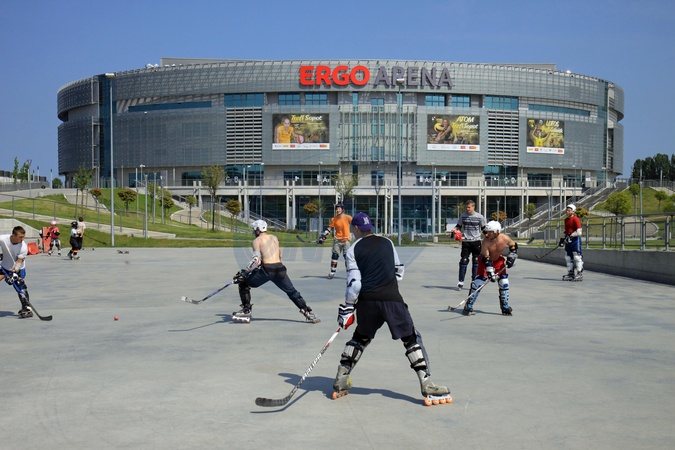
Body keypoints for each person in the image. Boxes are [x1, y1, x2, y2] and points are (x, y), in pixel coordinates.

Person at [332, 212, 451, 403]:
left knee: (360, 338)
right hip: (391, 298)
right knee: (410, 338)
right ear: (370, 227)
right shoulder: (387, 242)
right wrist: (386, 282)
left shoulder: (353, 250)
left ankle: (341, 378)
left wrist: (348, 308)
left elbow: (354, 283)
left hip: (367, 301)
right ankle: (426, 383)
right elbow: (399, 270)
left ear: (356, 228)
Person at [231, 220, 320, 324]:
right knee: (292, 291)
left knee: (243, 283)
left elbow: (256, 260)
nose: (254, 232)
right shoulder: (274, 238)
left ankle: (246, 310)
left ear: (258, 229)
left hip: (267, 270)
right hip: (280, 268)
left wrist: (245, 272)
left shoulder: (257, 241)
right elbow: (279, 254)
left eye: (254, 230)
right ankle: (308, 312)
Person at [462, 220, 518, 316]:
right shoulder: (485, 242)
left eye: (490, 232)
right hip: (485, 261)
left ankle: (505, 306)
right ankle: (468, 305)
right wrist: (490, 272)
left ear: (496, 232)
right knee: (478, 283)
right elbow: (485, 258)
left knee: (504, 282)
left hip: (498, 261)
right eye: (487, 232)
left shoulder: (504, 238)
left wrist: (512, 256)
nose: (487, 234)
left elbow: (513, 245)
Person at [452, 200, 487, 290]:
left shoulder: (479, 217)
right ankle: (461, 282)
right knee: (464, 260)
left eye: (469, 207)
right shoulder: (463, 216)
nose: (467, 209)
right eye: (466, 207)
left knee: (476, 261)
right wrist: (455, 231)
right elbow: (459, 226)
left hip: (476, 241)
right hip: (466, 241)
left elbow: (484, 228)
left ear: (473, 207)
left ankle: (474, 281)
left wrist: (488, 236)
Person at [0, 226, 32, 318]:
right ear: (13, 235)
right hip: (5, 266)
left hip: (18, 268)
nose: (22, 239)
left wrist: (13, 273)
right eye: (20, 237)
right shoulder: (3, 239)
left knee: (19, 285)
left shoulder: (23, 247)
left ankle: (27, 307)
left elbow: (19, 261)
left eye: (23, 237)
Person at [317, 202, 352, 279]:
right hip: (337, 240)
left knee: (347, 257)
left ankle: (349, 274)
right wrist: (323, 236)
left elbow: (355, 223)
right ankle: (332, 272)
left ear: (342, 209)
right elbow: (329, 229)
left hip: (346, 241)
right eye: (336, 209)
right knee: (334, 256)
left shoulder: (348, 218)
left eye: (339, 208)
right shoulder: (334, 219)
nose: (337, 210)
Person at [560, 204, 584, 281]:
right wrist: (563, 238)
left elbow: (579, 231)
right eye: (567, 210)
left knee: (577, 256)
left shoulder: (575, 219)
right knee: (568, 257)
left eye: (569, 210)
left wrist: (572, 235)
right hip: (568, 240)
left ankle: (579, 273)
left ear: (573, 211)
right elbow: (566, 230)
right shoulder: (566, 220)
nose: (567, 211)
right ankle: (570, 273)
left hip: (575, 240)